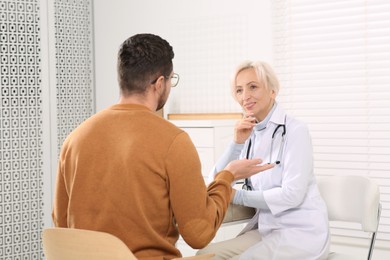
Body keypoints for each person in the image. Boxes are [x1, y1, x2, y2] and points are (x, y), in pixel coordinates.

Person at [51, 34, 274, 260]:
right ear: (160, 83)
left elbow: (61, 222)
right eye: (170, 80)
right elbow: (199, 234)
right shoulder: (173, 141)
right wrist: (227, 177)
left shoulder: (74, 139)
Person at [197, 61, 330, 259]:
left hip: (300, 231)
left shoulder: (295, 131)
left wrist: (234, 194)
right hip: (266, 229)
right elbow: (215, 181)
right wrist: (236, 143)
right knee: (205, 255)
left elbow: (292, 195)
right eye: (239, 90)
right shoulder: (250, 133)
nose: (245, 96)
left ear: (272, 91)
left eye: (253, 87)